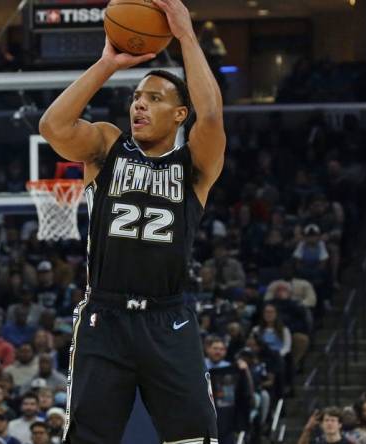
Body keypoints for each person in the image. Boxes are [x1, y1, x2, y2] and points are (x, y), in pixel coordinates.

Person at [37, 0, 225, 441]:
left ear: (180, 114)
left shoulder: (194, 165)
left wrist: (186, 36)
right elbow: (53, 126)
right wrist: (106, 64)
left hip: (169, 317)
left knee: (196, 437)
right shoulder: (107, 145)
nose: (139, 105)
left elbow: (212, 114)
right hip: (105, 315)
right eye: (137, 97)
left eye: (154, 99)